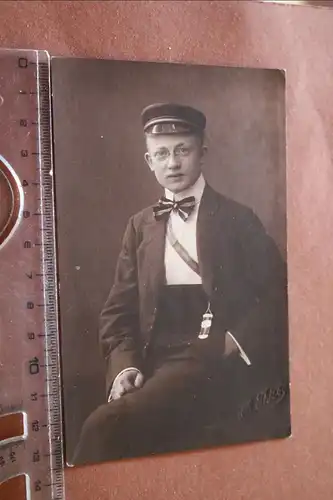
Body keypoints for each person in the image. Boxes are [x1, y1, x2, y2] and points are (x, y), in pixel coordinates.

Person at [73, 103, 290, 465]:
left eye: (182, 150)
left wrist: (234, 342)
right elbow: (118, 311)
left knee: (102, 428)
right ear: (149, 161)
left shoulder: (237, 218)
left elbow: (278, 293)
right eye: (162, 154)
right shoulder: (139, 226)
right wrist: (125, 367)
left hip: (208, 356)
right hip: (151, 358)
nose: (172, 163)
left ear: (202, 153)